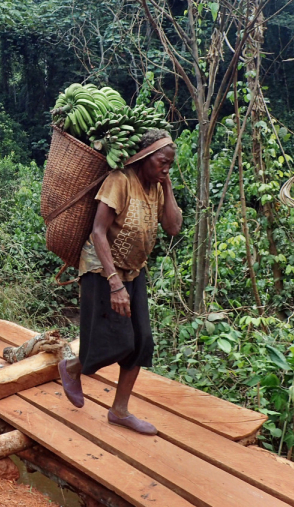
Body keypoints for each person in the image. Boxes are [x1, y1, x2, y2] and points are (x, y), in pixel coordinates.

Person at [58, 129, 182, 435]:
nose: (165, 168)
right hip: (103, 271)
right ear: (143, 158)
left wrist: (167, 185)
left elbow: (173, 227)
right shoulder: (120, 181)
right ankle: (71, 368)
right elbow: (99, 232)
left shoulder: (156, 185)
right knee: (115, 341)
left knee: (141, 343)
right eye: (161, 162)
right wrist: (114, 283)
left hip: (133, 271)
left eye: (169, 164)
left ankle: (119, 410)